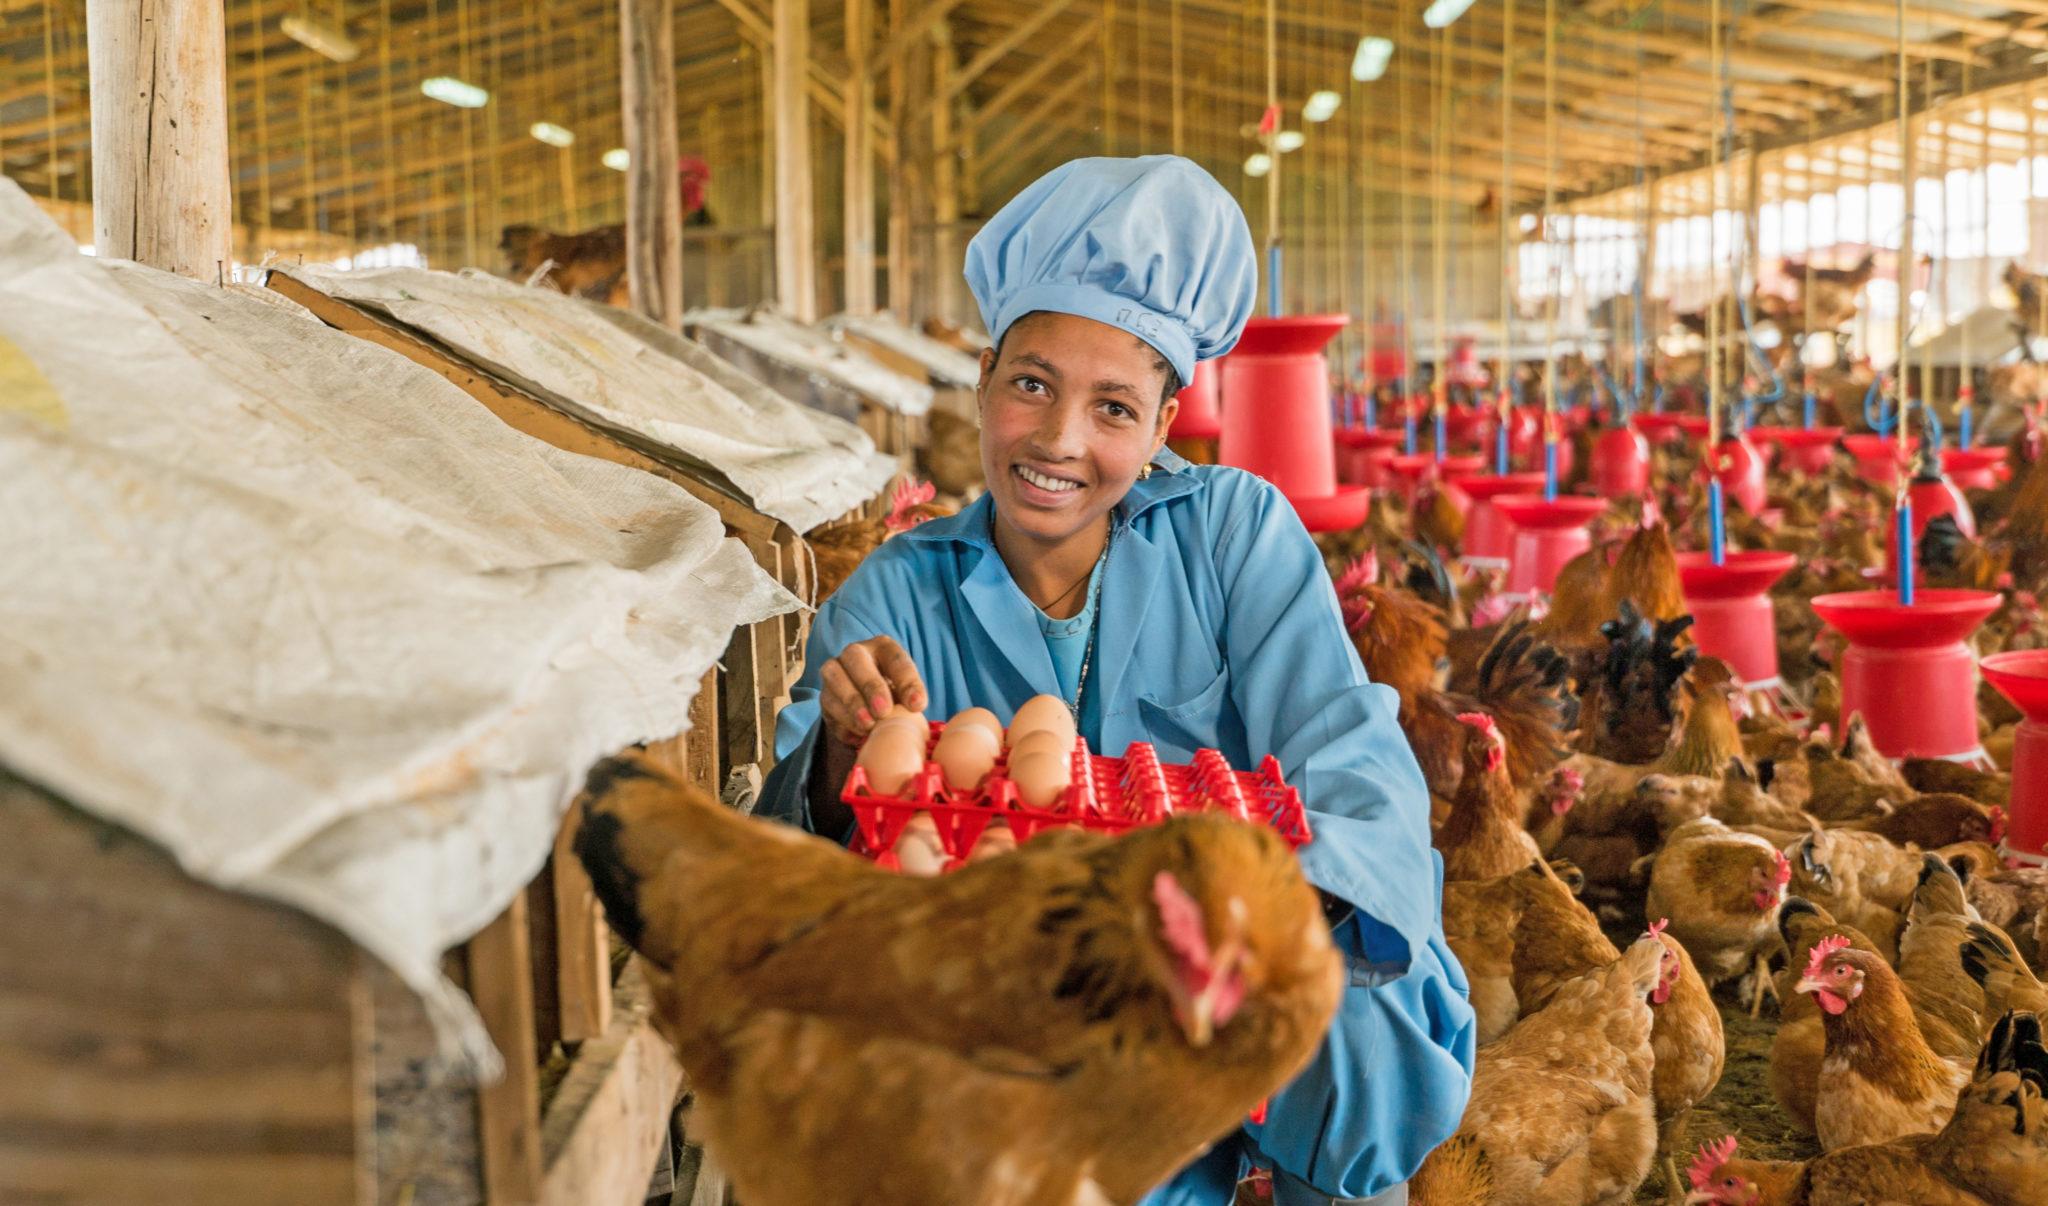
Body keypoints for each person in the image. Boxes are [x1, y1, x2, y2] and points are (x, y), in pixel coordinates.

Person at [756, 155, 1474, 1205]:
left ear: (1165, 420)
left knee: (1364, 994)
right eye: (1031, 386)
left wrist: (1247, 921)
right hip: (996, 1053)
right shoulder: (900, 593)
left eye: (1112, 409)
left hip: (1212, 1022)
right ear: (984, 382)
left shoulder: (1231, 533)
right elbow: (793, 866)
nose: (1057, 442)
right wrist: (834, 754)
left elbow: (1352, 761)